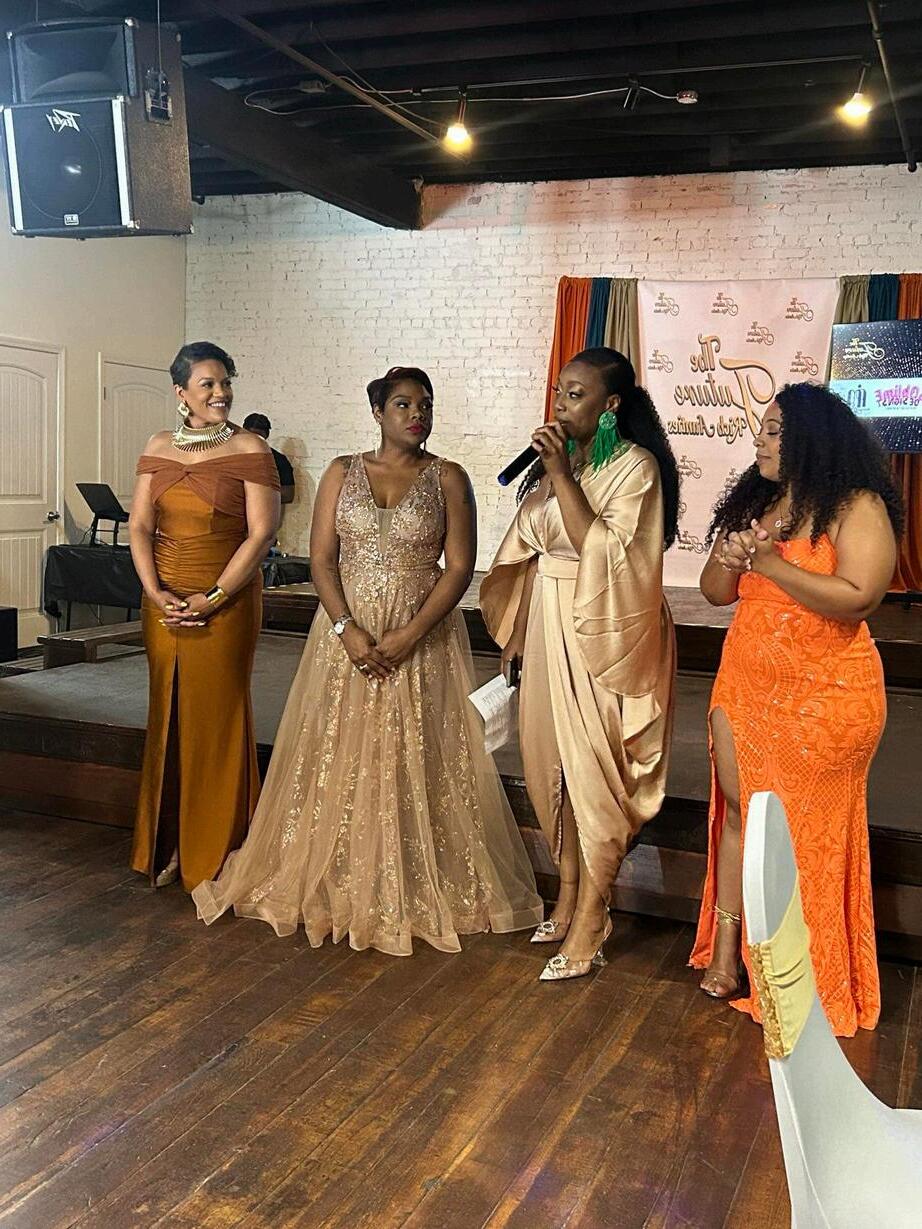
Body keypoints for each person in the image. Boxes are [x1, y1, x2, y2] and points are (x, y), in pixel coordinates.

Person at [193, 366, 543, 954]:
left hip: (421, 635)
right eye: (403, 404)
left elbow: (460, 566)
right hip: (345, 637)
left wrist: (410, 633)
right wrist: (346, 628)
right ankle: (339, 871)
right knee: (340, 746)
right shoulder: (341, 471)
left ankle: (411, 877)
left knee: (417, 749)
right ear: (378, 412)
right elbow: (321, 560)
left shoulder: (448, 477)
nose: (417, 414)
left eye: (425, 404)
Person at [690, 383, 903, 1037]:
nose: (760, 439)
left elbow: (861, 595)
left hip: (826, 697)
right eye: (762, 428)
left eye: (775, 429)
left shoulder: (854, 504)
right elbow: (715, 591)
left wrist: (771, 565)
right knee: (739, 814)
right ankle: (728, 951)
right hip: (747, 686)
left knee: (803, 832)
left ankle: (801, 975)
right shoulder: (759, 502)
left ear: (813, 437)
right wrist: (731, 559)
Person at [481, 347, 679, 982]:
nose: (561, 406)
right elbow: (530, 546)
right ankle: (566, 896)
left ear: (610, 404)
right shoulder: (563, 465)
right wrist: (517, 632)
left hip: (606, 630)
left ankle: (594, 914)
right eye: (559, 393)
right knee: (549, 764)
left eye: (576, 395)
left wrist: (562, 477)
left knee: (592, 772)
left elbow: (609, 553)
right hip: (546, 623)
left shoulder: (635, 467)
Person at [129, 342, 280, 891]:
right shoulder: (158, 445)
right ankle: (167, 843)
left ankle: (216, 852)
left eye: (225, 382)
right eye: (208, 384)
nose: (221, 393)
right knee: (165, 716)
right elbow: (139, 526)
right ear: (181, 393)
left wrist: (212, 598)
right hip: (163, 604)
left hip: (226, 603)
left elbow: (262, 534)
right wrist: (154, 592)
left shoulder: (250, 448)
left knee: (216, 721)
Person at [243, 413, 295, 504]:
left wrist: (254, 495)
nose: (254, 441)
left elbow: (288, 495)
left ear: (266, 436)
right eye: (250, 436)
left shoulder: (278, 460)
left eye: (259, 437)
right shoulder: (231, 454)